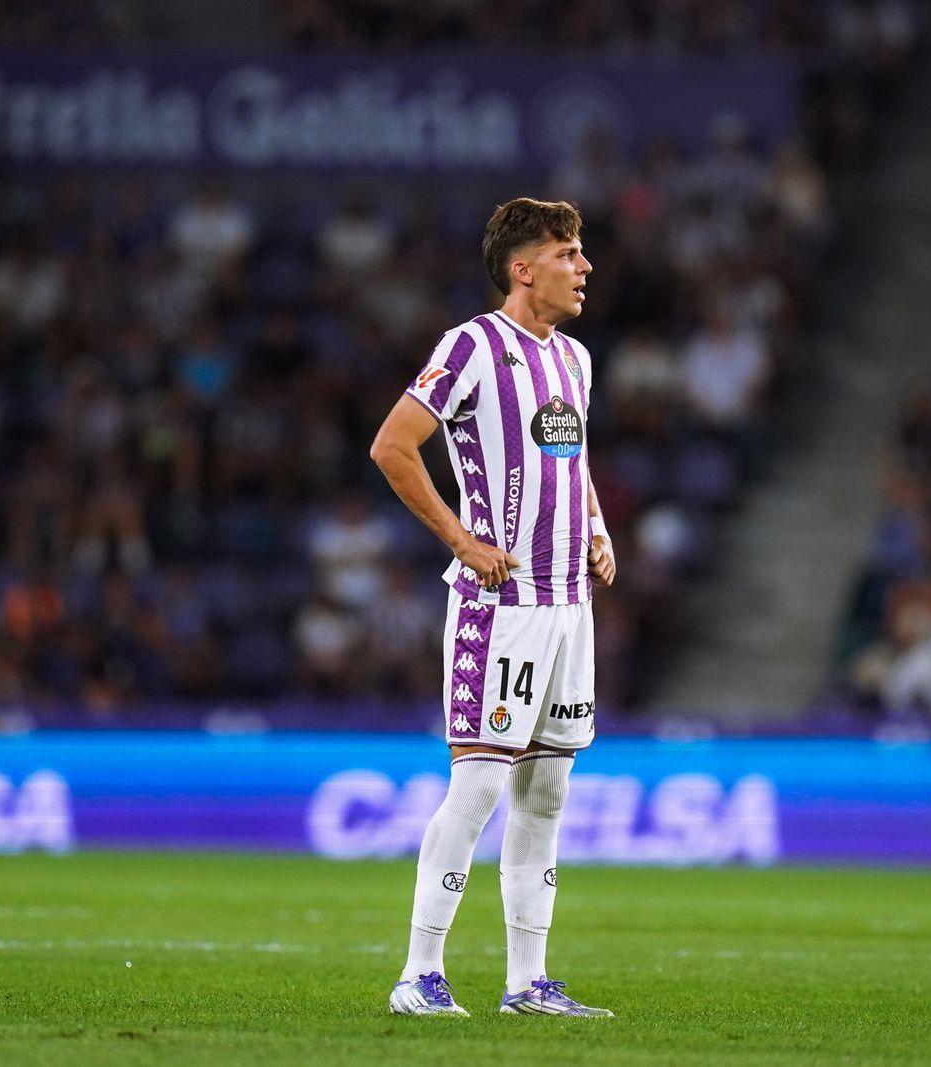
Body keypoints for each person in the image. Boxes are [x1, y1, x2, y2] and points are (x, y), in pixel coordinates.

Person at [369, 198, 616, 1018]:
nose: (583, 266)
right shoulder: (471, 346)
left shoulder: (575, 360)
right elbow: (392, 445)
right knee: (479, 787)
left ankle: (526, 984)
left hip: (569, 606)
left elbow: (571, 460)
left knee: (546, 795)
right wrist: (461, 539)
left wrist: (596, 526)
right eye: (568, 253)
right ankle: (419, 974)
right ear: (523, 268)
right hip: (501, 603)